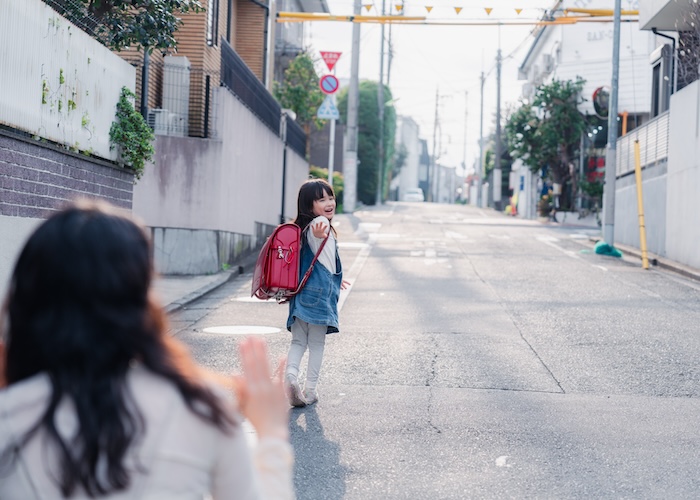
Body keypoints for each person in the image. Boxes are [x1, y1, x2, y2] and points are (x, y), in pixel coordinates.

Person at [0, 199, 293, 499]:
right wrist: (271, 433)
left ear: (25, 300)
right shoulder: (203, 409)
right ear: (140, 300)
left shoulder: (10, 416)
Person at [285, 179, 349, 408]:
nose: (329, 202)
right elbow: (319, 230)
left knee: (298, 341)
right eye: (321, 199)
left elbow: (319, 261)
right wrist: (321, 230)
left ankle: (291, 377)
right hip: (319, 296)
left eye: (330, 197)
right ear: (309, 206)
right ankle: (310, 389)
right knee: (317, 344)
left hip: (301, 294)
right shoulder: (320, 224)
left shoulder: (301, 228)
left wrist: (338, 279)